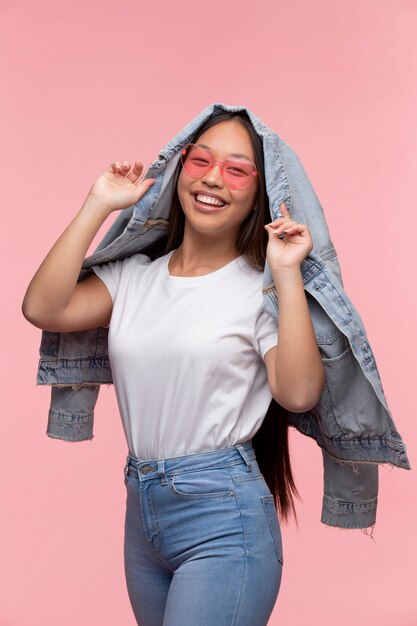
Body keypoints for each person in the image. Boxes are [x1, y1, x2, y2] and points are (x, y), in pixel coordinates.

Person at [21, 111, 326, 625]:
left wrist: (288, 274)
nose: (211, 178)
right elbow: (43, 308)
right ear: (179, 170)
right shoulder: (134, 277)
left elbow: (298, 393)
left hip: (223, 517)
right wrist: (97, 204)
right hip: (142, 511)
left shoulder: (262, 291)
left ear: (261, 191)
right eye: (200, 160)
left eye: (236, 170)